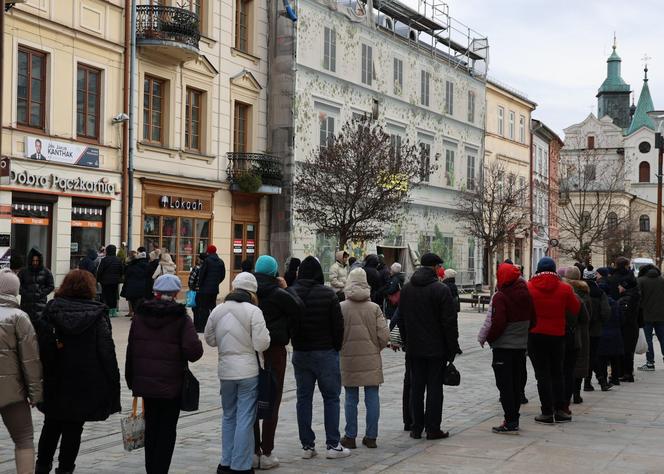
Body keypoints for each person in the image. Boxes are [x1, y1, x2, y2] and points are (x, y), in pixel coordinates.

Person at [36, 269, 121, 474]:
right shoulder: (98, 314)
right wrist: (113, 382)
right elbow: (106, 351)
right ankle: (65, 469)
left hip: (54, 378)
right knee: (74, 428)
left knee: (51, 424)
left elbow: (39, 346)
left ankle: (42, 466)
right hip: (85, 381)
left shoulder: (51, 310)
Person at [126, 274, 203, 474]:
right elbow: (194, 352)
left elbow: (131, 349)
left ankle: (151, 469)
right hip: (172, 385)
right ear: (177, 293)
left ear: (155, 292)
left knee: (151, 428)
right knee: (167, 431)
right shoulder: (181, 318)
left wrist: (131, 378)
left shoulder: (140, 315)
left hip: (146, 384)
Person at [205, 272, 270, 474]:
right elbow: (262, 343)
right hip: (248, 370)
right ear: (253, 292)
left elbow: (210, 339)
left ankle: (225, 461)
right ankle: (240, 465)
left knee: (228, 416)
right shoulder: (254, 311)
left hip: (226, 371)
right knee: (245, 417)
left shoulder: (217, 310)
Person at [287, 256, 350, 460]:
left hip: (301, 352)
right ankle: (333, 444)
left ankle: (307, 445)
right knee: (331, 398)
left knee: (303, 399)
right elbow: (338, 325)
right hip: (325, 352)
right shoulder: (328, 294)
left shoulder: (291, 293)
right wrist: (336, 347)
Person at [399, 253, 459, 440]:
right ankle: (433, 428)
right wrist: (452, 348)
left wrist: (406, 341)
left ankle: (416, 428)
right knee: (434, 388)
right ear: (434, 268)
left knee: (416, 388)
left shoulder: (407, 289)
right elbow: (449, 322)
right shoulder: (441, 290)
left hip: (414, 348)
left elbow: (401, 319)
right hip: (436, 349)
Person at [252, 255, 304, 470]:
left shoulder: (250, 292)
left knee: (252, 399)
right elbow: (299, 308)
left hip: (252, 350)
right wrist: (288, 287)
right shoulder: (278, 293)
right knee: (273, 397)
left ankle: (253, 450)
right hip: (275, 350)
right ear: (274, 272)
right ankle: (267, 451)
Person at [339, 268, 389, 449]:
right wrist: (376, 348)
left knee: (351, 398)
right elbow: (384, 335)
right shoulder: (374, 308)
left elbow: (335, 334)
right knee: (372, 396)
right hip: (371, 357)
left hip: (348, 357)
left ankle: (350, 436)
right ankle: (371, 436)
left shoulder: (341, 308)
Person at [527, 257, 580, 424]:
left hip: (535, 335)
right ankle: (560, 410)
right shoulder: (565, 288)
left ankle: (547, 412)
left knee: (542, 375)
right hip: (558, 335)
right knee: (558, 373)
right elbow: (576, 308)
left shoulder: (528, 287)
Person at [0, 268, 43, 474]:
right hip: (13, 392)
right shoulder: (19, 317)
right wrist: (35, 394)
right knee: (24, 437)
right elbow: (31, 360)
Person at [485, 263, 535, 434]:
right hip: (520, 347)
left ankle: (510, 420)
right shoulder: (526, 294)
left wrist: (489, 338)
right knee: (515, 383)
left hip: (504, 347)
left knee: (504, 385)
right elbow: (534, 320)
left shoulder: (501, 296)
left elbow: (498, 323)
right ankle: (514, 417)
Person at [562, 267, 590, 408]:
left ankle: (564, 394)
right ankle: (576, 393)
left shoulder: (562, 291)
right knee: (579, 362)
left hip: (564, 330)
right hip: (581, 332)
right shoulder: (585, 292)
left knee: (566, 365)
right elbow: (586, 317)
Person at [583, 266, 611, 391]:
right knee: (593, 355)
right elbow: (606, 312)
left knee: (584, 356)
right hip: (595, 330)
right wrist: (601, 322)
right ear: (595, 278)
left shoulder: (578, 291)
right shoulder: (600, 293)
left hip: (581, 329)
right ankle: (600, 381)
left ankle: (587, 383)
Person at [596, 272, 624, 391]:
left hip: (602, 333)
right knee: (614, 357)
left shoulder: (598, 303)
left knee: (602, 359)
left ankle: (602, 378)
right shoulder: (615, 303)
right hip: (615, 333)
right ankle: (615, 378)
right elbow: (621, 318)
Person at [637, 264, 664, 372]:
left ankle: (650, 363)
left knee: (648, 339)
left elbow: (638, 297)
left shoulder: (640, 280)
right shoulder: (662, 280)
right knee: (663, 338)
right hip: (662, 315)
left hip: (646, 315)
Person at [18, 247, 55, 324]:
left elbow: (51, 286)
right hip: (26, 305)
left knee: (39, 327)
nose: (35, 263)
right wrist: (26, 293)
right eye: (33, 260)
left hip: (40, 305)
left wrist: (41, 293)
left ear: (40, 261)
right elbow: (18, 286)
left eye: (37, 261)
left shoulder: (46, 272)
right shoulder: (23, 272)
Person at [197, 245, 226, 333]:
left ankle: (203, 327)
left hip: (205, 289)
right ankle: (215, 326)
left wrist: (200, 284)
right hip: (214, 289)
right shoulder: (221, 261)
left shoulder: (207, 261)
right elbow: (223, 275)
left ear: (208, 251)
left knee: (204, 308)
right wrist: (216, 283)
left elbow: (202, 274)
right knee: (213, 307)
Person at [617, 276, 639, 382]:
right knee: (628, 351)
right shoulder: (633, 296)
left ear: (625, 286)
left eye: (620, 285)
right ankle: (627, 373)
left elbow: (624, 316)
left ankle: (627, 374)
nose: (618, 287)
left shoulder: (626, 299)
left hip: (627, 329)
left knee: (626, 352)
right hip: (632, 328)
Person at [96, 244, 124, 318]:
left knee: (106, 295)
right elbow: (121, 270)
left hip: (105, 281)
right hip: (115, 281)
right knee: (114, 295)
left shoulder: (104, 260)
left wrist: (98, 279)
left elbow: (100, 271)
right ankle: (114, 311)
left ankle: (107, 311)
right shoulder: (118, 260)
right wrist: (119, 277)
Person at [122, 249, 150, 319]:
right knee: (141, 301)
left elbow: (126, 274)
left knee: (133, 301)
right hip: (143, 287)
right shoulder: (148, 265)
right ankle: (139, 315)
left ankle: (135, 314)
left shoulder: (132, 265)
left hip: (132, 286)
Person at [189, 253, 206, 331]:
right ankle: (202, 326)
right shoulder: (207, 268)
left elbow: (191, 280)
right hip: (205, 291)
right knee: (203, 309)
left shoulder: (197, 268)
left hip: (196, 290)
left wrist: (192, 287)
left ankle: (197, 326)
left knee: (195, 309)